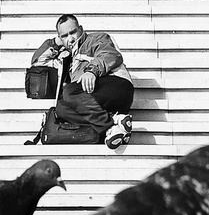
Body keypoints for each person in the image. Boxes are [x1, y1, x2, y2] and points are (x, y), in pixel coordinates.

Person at [31, 14, 134, 148]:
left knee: (69, 91)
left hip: (117, 86)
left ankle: (108, 125)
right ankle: (115, 122)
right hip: (94, 100)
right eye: (65, 36)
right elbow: (37, 61)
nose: (70, 39)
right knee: (61, 109)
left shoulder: (95, 39)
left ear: (81, 29)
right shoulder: (65, 57)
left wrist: (92, 71)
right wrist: (56, 42)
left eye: (73, 32)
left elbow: (110, 55)